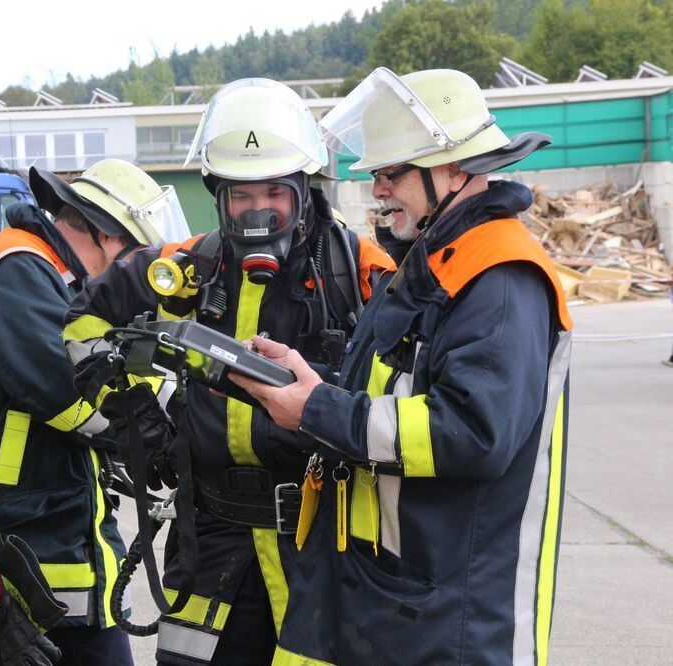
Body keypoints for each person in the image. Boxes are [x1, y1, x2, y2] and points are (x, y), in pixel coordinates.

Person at [229, 67, 572, 665]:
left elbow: (472, 432)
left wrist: (317, 408)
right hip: (391, 597)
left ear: (454, 169)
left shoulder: (500, 278)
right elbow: (390, 392)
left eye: (391, 174)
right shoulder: (430, 263)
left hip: (448, 616)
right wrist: (311, 381)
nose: (379, 189)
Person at [62, 78, 394, 665]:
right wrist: (144, 415)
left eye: (274, 192)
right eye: (242, 195)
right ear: (219, 197)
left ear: (302, 191)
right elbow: (83, 330)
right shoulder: (183, 267)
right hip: (209, 544)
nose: (257, 210)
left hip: (322, 542)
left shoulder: (360, 272)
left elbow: (397, 394)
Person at [0, 159, 190, 665]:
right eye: (134, 259)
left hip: (59, 531)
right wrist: (164, 434)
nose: (132, 280)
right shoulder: (17, 267)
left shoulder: (55, 277)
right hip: (22, 538)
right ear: (106, 236)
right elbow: (70, 393)